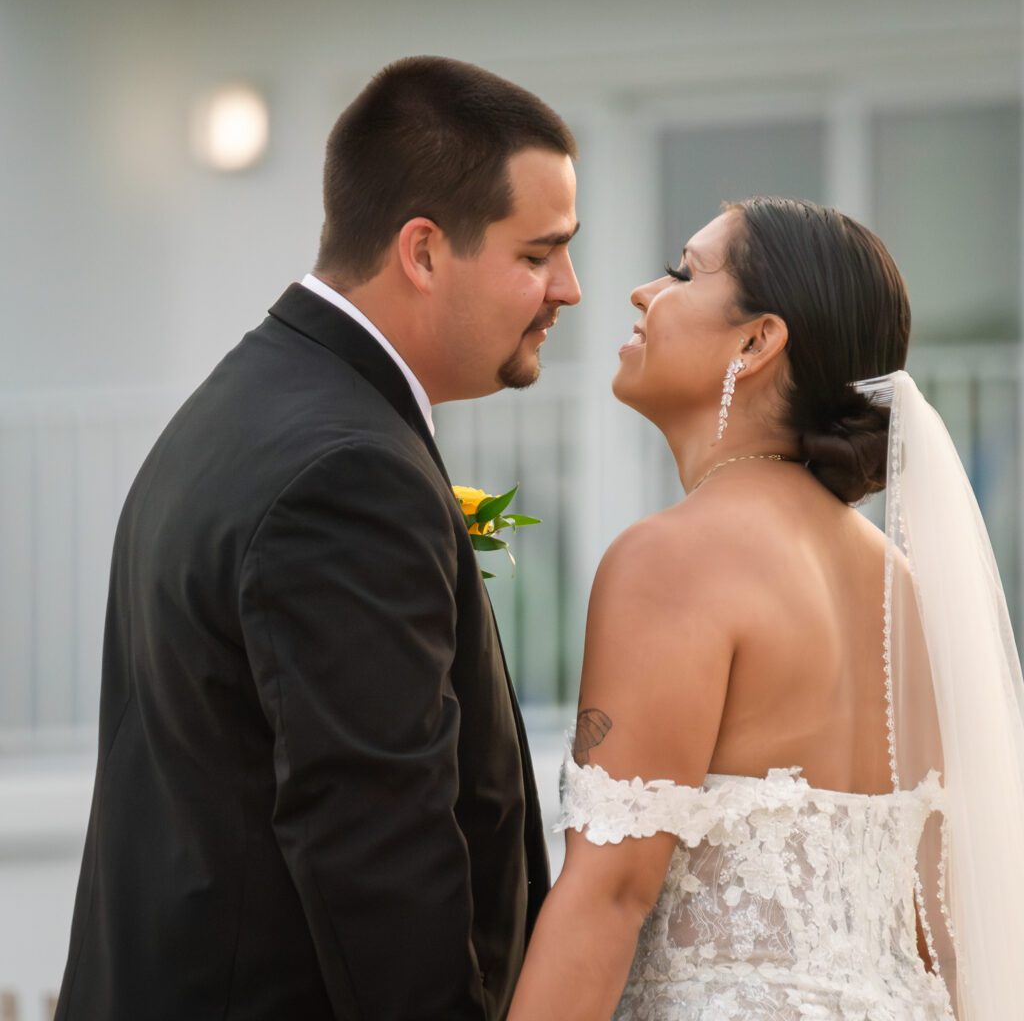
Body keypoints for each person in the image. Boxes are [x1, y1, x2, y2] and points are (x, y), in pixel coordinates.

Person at [56, 56, 580, 1021]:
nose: (571, 290)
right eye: (538, 256)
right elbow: (379, 852)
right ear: (423, 252)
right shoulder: (349, 473)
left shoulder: (246, 406)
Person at [508, 197, 1024, 1019]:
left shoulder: (673, 559)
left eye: (683, 272)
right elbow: (937, 933)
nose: (644, 292)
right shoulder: (903, 589)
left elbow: (609, 895)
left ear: (757, 341)